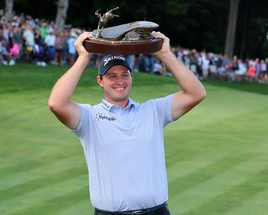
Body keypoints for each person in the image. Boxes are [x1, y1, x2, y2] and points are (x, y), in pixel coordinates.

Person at [48, 31, 206, 215]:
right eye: (112, 76)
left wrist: (165, 54)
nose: (120, 81)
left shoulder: (153, 111)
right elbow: (56, 103)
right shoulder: (89, 117)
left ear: (131, 77)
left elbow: (197, 93)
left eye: (124, 74)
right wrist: (84, 58)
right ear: (100, 81)